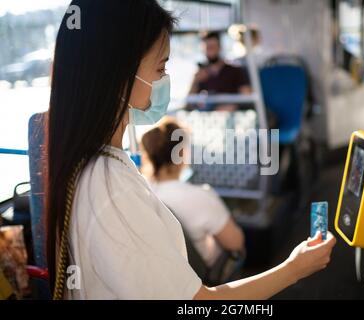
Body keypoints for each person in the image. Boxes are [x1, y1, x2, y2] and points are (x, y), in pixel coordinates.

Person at [46, 0, 336, 300]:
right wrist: (295, 269)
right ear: (120, 74)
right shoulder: (112, 191)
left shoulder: (92, 166)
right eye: (160, 68)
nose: (164, 80)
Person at [140, 117, 244, 267]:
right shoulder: (201, 197)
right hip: (205, 278)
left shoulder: (140, 192)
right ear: (181, 153)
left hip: (162, 272)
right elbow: (235, 243)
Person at [188, 31, 252, 111]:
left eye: (213, 47)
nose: (210, 51)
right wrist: (195, 81)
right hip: (209, 116)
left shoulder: (235, 71)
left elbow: (248, 97)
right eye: (207, 48)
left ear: (220, 48)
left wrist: (234, 106)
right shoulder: (201, 74)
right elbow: (188, 104)